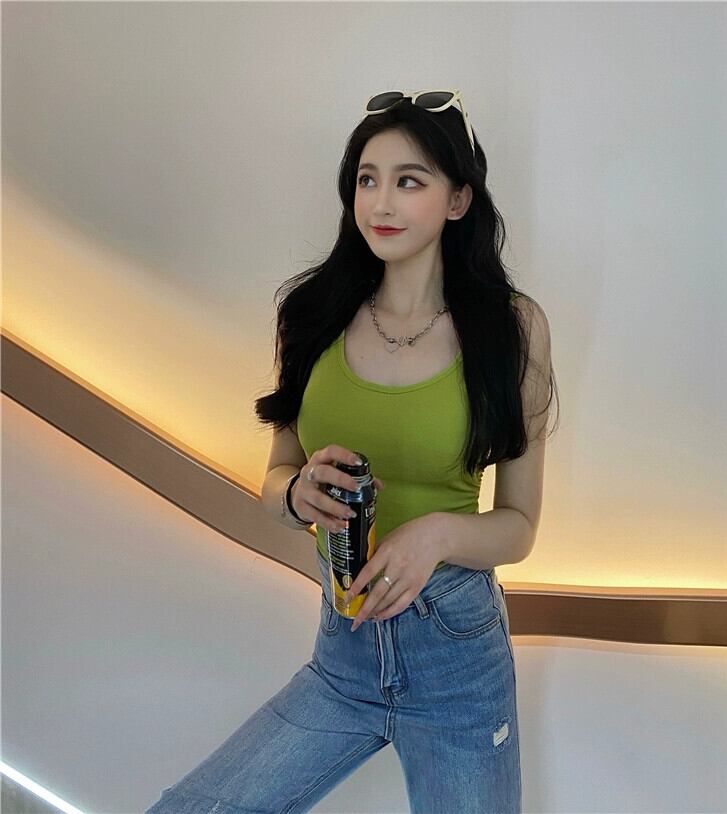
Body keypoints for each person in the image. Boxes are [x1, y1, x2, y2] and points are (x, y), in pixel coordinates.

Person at [145, 89, 557, 814]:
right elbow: (275, 480)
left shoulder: (511, 328)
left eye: (409, 180)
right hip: (342, 653)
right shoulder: (311, 314)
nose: (381, 202)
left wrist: (437, 535)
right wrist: (295, 491)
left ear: (458, 200)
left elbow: (518, 526)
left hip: (458, 662)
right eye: (368, 179)